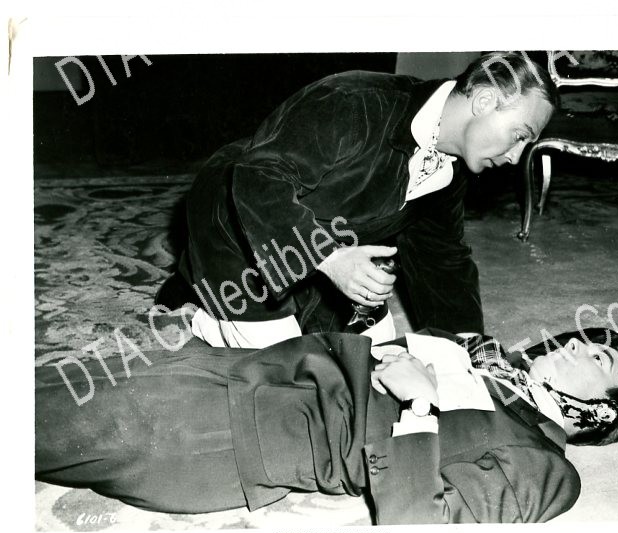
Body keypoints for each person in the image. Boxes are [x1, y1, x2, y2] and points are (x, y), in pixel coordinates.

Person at [35, 316, 618, 524]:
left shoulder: (545, 468)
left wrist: (419, 404)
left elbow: (417, 532)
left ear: (599, 412)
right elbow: (560, 361)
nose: (581, 344)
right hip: (247, 369)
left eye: (600, 357)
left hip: (226, 433)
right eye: (586, 339)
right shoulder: (495, 371)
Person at [156, 52, 558, 348]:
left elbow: (442, 258)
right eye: (520, 135)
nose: (516, 157)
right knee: (292, 375)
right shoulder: (354, 100)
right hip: (239, 219)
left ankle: (300, 300)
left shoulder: (451, 168)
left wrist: (467, 346)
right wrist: (330, 259)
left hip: (326, 237)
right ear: (484, 100)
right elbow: (260, 177)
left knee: (373, 357)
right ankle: (205, 308)